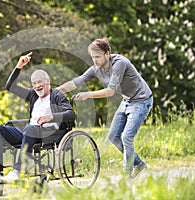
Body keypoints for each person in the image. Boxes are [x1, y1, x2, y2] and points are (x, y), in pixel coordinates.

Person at [57, 38, 153, 178]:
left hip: (141, 101)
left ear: (107, 54)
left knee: (126, 137)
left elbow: (110, 92)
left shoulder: (119, 63)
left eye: (97, 57)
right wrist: (54, 92)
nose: (95, 61)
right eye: (92, 57)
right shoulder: (96, 69)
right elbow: (77, 82)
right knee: (113, 136)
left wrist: (88, 95)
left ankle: (127, 175)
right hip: (127, 100)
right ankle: (139, 164)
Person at [0, 52, 76, 183]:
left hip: (49, 133)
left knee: (30, 129)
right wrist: (19, 66)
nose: (37, 86)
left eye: (40, 82)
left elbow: (71, 114)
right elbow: (10, 86)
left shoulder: (57, 95)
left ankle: (18, 171)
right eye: (34, 83)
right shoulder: (33, 95)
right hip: (30, 131)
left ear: (48, 82)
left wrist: (50, 117)